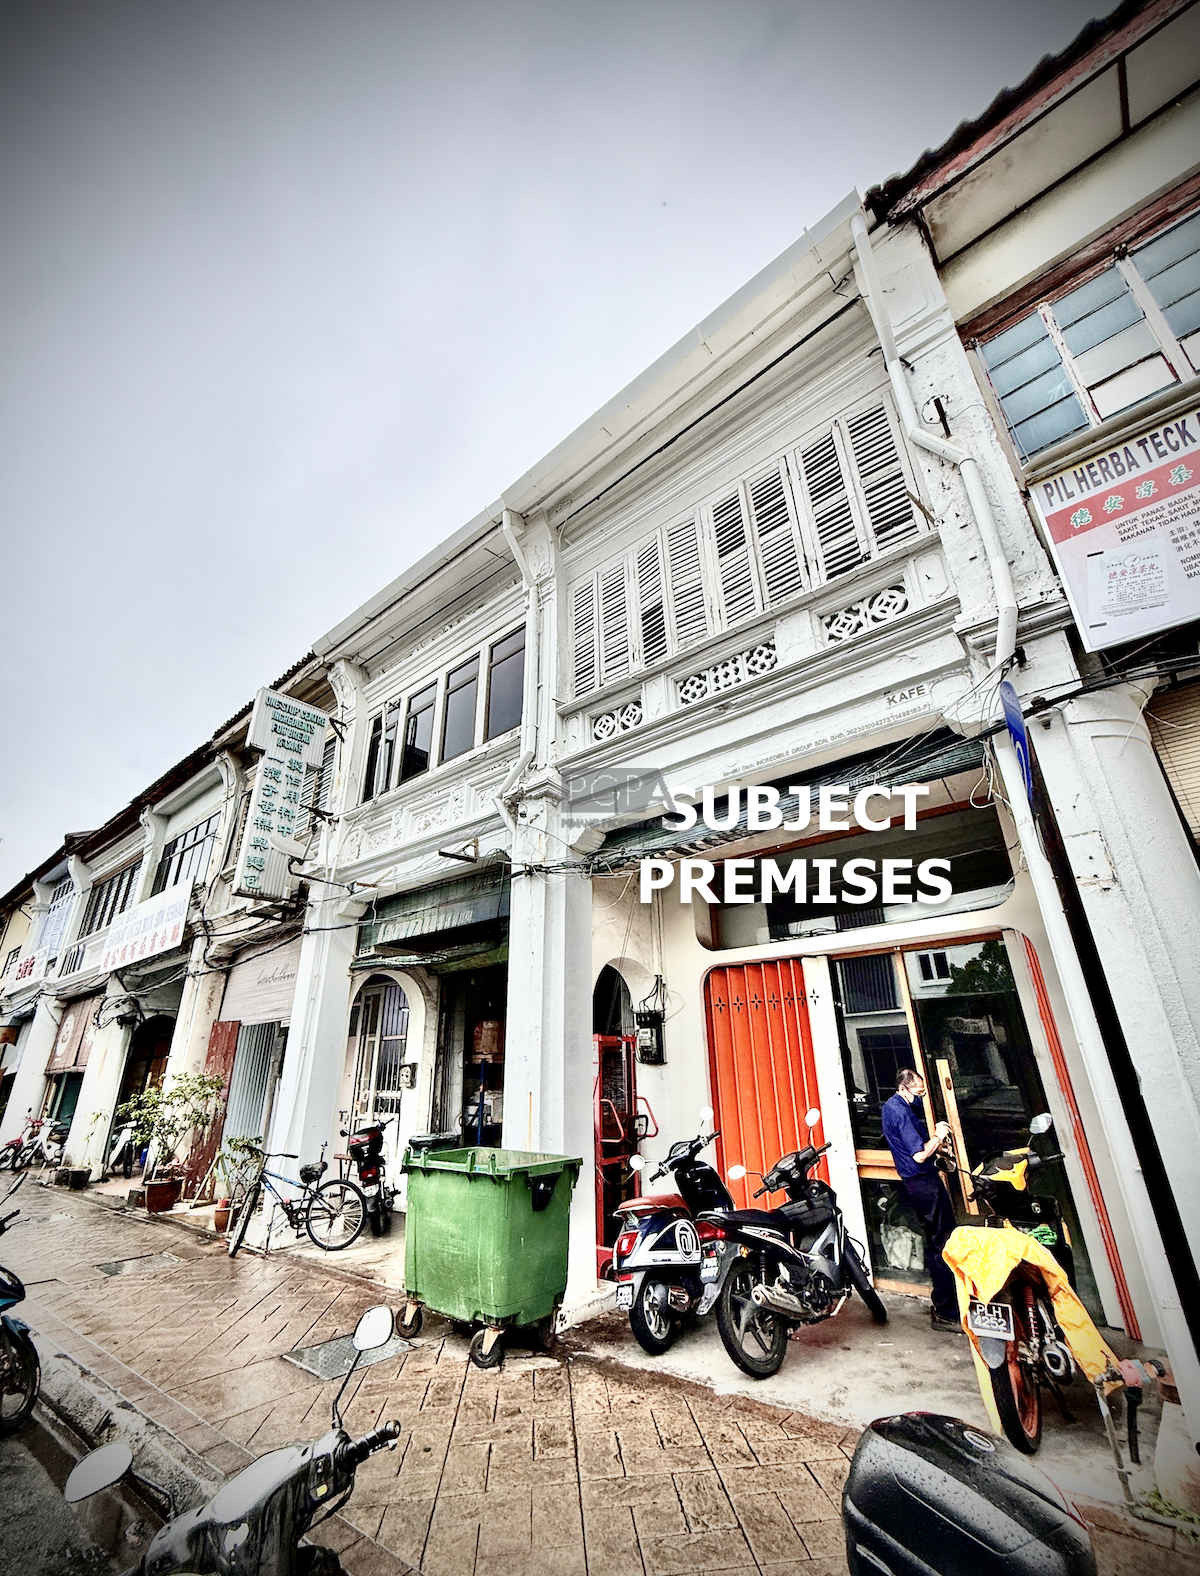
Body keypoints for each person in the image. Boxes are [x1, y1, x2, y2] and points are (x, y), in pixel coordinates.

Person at [881, 1068, 962, 1332]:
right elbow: (917, 1155)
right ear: (903, 1089)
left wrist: (937, 1145)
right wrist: (938, 1135)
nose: (921, 1098)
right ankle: (947, 1310)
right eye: (918, 1093)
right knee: (943, 1242)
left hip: (917, 1183)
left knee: (936, 1239)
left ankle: (944, 1302)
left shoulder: (890, 1107)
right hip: (923, 1183)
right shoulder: (901, 1112)